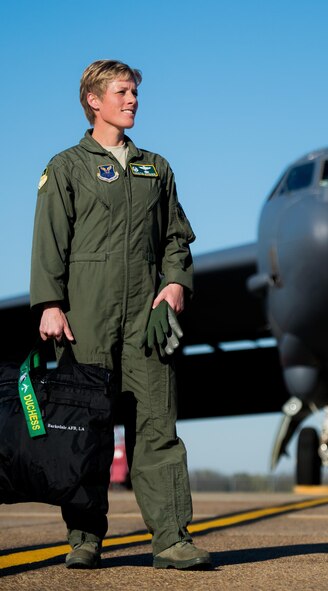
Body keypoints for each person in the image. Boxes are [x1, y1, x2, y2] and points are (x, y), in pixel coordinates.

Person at [30, 59, 211, 570]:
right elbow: (50, 241)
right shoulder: (67, 166)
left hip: (145, 318)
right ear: (95, 100)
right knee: (85, 427)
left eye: (134, 92)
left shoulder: (157, 168)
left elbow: (177, 237)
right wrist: (49, 303)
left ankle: (172, 539)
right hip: (85, 314)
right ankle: (84, 537)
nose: (133, 100)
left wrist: (174, 282)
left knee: (157, 422)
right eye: (123, 91)